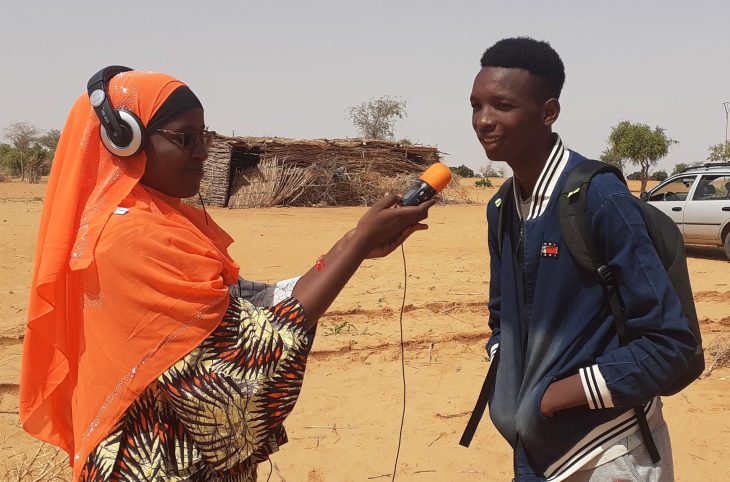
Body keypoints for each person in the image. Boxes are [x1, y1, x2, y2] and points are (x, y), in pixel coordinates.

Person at [19, 67, 435, 481]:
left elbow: (254, 301)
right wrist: (358, 244)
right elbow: (247, 356)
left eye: (205, 136)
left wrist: (353, 244)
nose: (202, 152)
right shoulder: (132, 236)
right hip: (153, 464)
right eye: (185, 138)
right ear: (124, 141)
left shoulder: (159, 222)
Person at [469, 38, 696, 481]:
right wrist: (510, 371)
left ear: (548, 112)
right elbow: (502, 316)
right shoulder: (500, 208)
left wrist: (556, 396)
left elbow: (670, 344)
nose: (483, 121)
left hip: (609, 452)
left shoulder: (600, 199)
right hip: (533, 452)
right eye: (476, 106)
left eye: (502, 105)